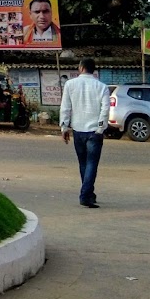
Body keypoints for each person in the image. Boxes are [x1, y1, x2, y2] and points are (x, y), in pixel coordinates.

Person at [59, 57, 109, 208]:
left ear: (81, 68)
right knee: (92, 164)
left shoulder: (70, 84)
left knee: (83, 163)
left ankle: (88, 193)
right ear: (93, 70)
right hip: (94, 131)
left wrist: (64, 127)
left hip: (78, 130)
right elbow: (105, 109)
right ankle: (86, 195)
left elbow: (65, 107)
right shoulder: (102, 87)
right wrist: (100, 128)